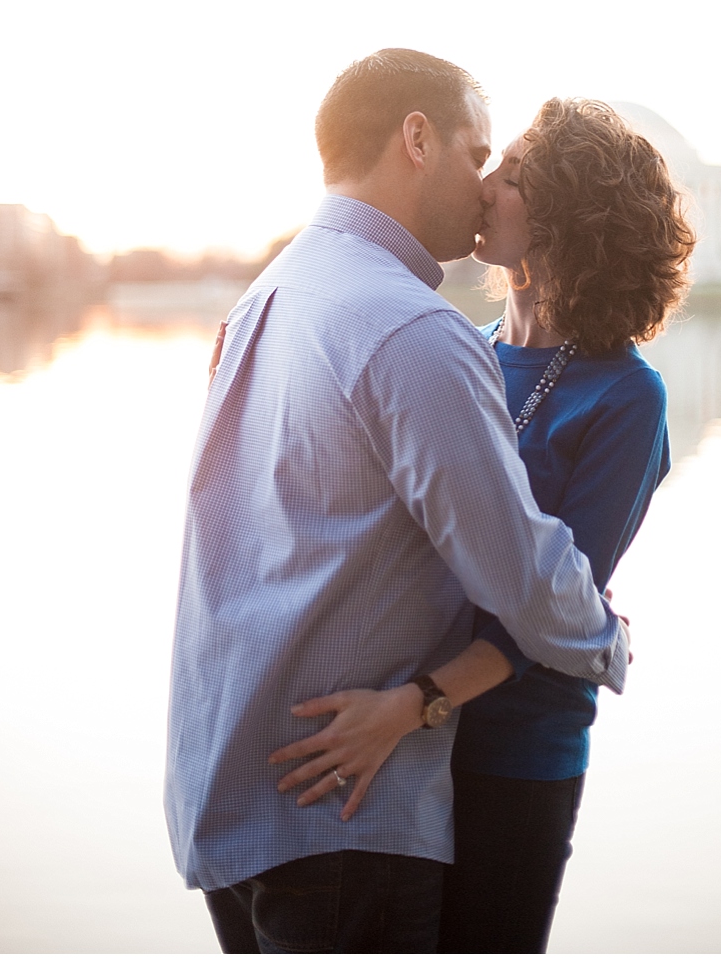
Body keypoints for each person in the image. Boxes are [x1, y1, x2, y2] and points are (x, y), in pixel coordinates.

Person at [164, 50, 630, 955]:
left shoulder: (273, 293)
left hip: (228, 783)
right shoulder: (413, 329)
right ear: (417, 139)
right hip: (341, 814)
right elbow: (527, 580)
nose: (487, 182)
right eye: (476, 150)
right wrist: (606, 638)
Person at [273, 97, 694, 952]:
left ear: (567, 219)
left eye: (513, 175)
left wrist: (413, 705)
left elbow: (550, 602)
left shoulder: (624, 395)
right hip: (399, 734)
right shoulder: (451, 347)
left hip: (511, 746)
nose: (484, 183)